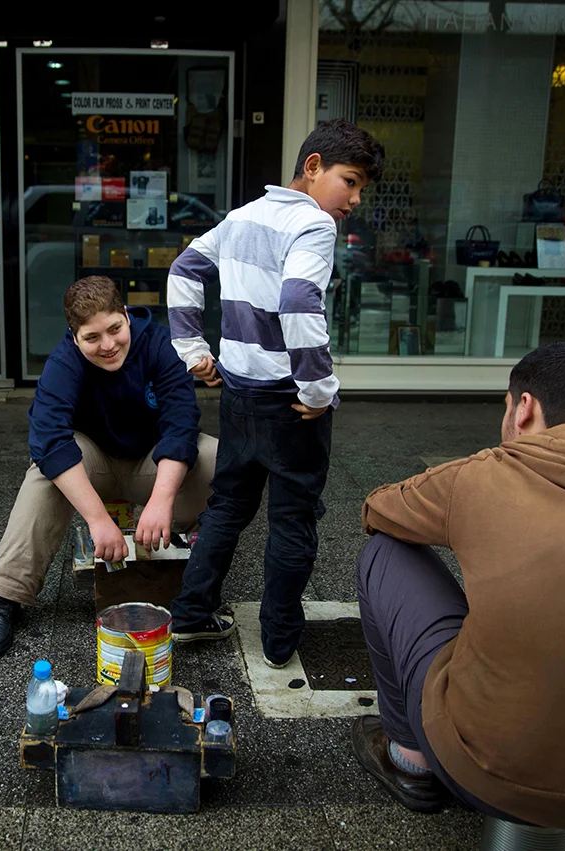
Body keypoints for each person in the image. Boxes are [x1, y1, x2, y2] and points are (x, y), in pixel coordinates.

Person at [350, 342, 565, 833]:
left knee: (383, 554)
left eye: (505, 406)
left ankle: (411, 759)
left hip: (493, 776)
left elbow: (378, 510)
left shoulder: (484, 478)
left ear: (524, 408)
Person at [166, 118, 384, 666]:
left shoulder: (242, 217)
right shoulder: (314, 225)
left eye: (361, 188)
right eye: (350, 181)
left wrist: (193, 352)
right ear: (312, 168)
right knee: (292, 519)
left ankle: (191, 614)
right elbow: (299, 302)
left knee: (228, 507)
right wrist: (317, 390)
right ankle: (280, 640)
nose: (355, 199)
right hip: (290, 402)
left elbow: (184, 267)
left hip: (239, 392)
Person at [0, 276, 219, 658]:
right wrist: (97, 519)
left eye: (115, 329)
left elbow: (181, 421)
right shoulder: (62, 363)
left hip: (149, 463)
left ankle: (193, 562)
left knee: (214, 456)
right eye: (92, 338)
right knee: (44, 472)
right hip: (94, 466)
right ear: (75, 337)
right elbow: (50, 439)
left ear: (125, 314)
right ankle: (5, 596)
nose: (107, 345)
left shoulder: (159, 344)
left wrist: (161, 499)